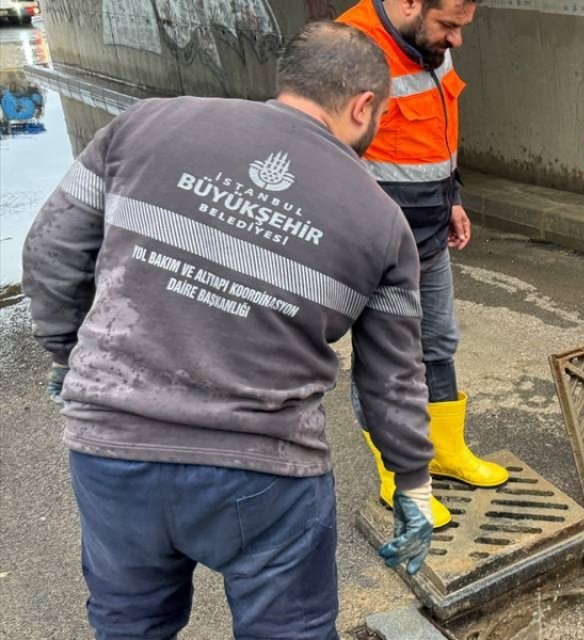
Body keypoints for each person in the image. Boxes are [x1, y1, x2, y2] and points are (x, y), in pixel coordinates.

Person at [22, 22, 437, 638]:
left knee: (128, 625)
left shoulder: (147, 125)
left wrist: (69, 353)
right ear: (363, 105)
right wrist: (413, 481)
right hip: (266, 471)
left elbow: (51, 254)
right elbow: (392, 379)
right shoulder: (381, 220)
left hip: (112, 451)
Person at [339, 0, 507, 529]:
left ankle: (445, 452)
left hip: (430, 234)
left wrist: (452, 197)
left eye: (462, 26)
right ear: (410, 3)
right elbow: (326, 158)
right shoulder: (349, 52)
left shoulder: (431, 45)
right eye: (449, 25)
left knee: (438, 344)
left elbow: (436, 129)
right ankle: (397, 475)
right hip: (375, 245)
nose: (456, 40)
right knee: (388, 362)